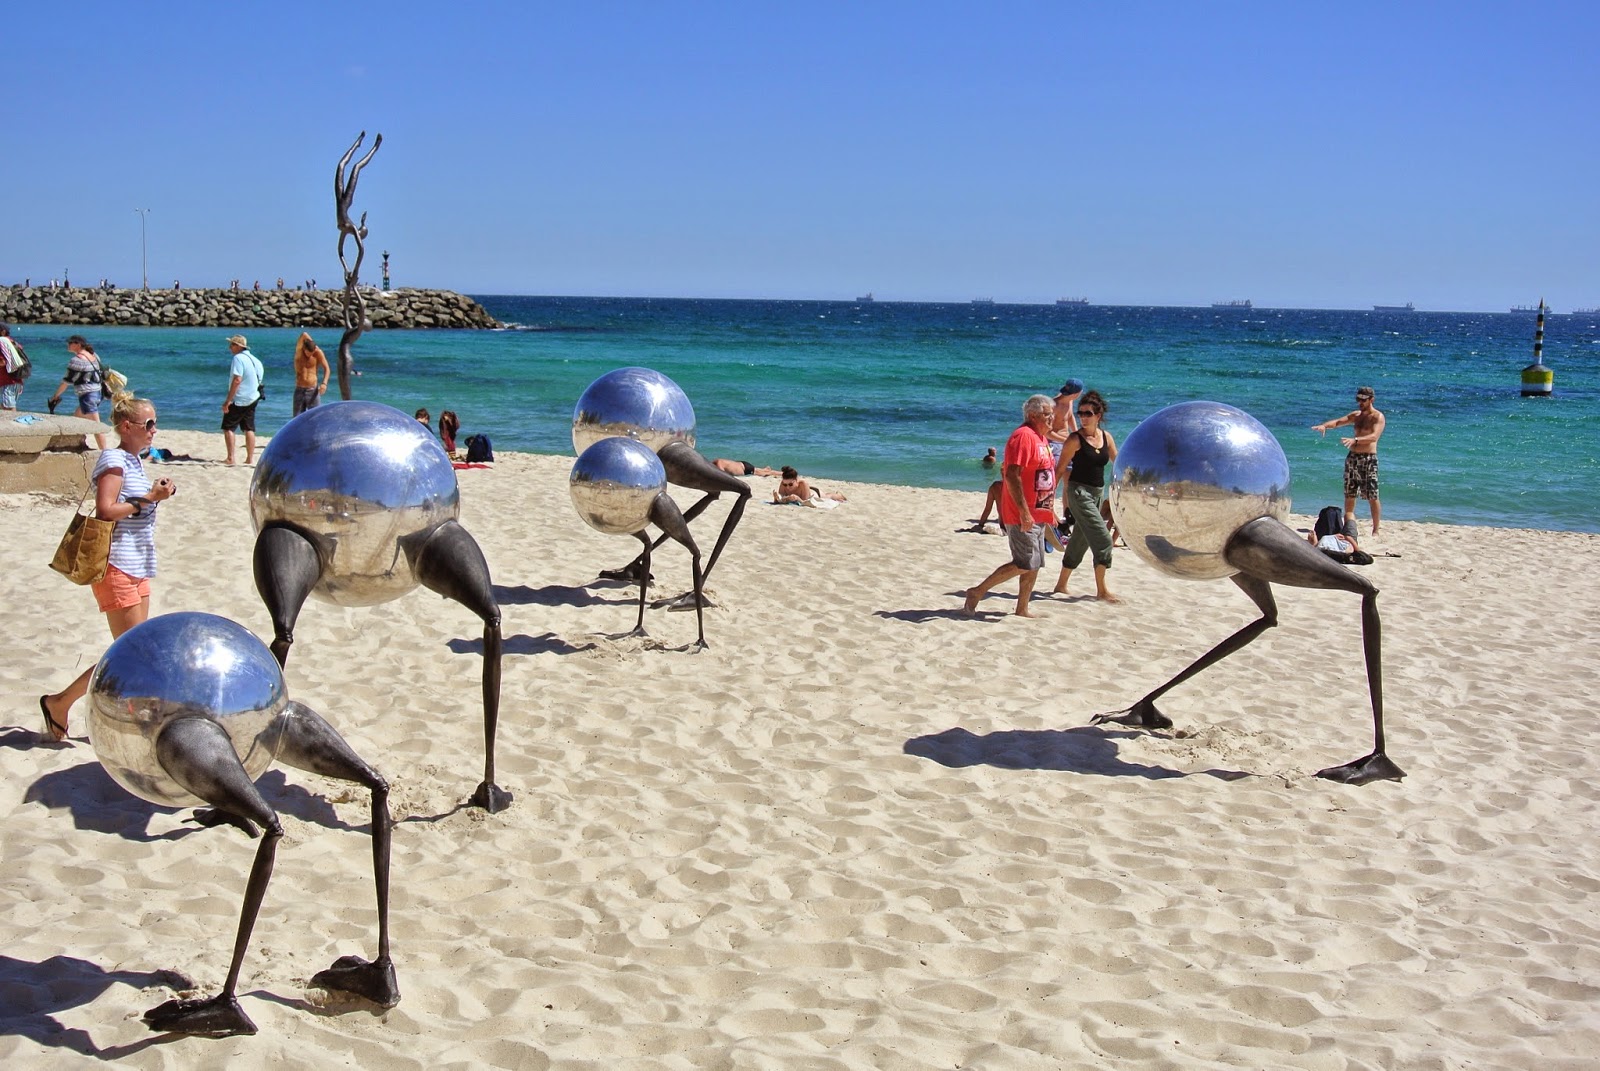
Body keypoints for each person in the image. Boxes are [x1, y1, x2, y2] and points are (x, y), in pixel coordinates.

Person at [39, 392, 177, 741]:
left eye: (155, 423)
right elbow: (105, 510)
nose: (154, 430)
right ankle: (60, 703)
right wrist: (148, 498)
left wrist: (154, 493)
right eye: (148, 424)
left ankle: (117, 711)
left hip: (139, 564)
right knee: (133, 653)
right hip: (115, 565)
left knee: (133, 651)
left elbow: (130, 507)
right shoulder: (114, 459)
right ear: (126, 426)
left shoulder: (133, 461)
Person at [963, 394, 1057, 618]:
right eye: (1047, 415)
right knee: (1024, 563)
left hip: (1038, 511)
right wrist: (1024, 512)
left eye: (1052, 414)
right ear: (1033, 415)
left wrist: (1049, 511)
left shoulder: (1041, 438)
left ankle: (1022, 608)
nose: (1052, 418)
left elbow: (1043, 477)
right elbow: (1012, 476)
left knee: (1034, 564)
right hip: (1022, 512)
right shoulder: (1023, 437)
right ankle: (976, 592)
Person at [1051, 389, 1119, 602]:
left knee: (1080, 540)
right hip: (1078, 493)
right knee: (1104, 540)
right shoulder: (1075, 439)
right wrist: (1047, 497)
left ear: (1098, 416)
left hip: (1097, 494)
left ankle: (1061, 584)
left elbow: (1118, 464)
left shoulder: (1106, 438)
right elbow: (1060, 468)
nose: (1082, 417)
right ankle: (1102, 591)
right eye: (1080, 413)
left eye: (1088, 413)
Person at [1313, 385, 1386, 535]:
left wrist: (1356, 440)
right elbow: (1339, 422)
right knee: (1350, 493)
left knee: (1372, 495)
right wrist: (1324, 426)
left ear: (1372, 400)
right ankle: (1348, 525)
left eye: (1363, 400)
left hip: (1368, 459)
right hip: (1352, 458)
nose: (1360, 402)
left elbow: (1374, 437)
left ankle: (1376, 529)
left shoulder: (1378, 417)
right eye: (1358, 399)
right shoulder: (1356, 415)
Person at [47, 335, 110, 449]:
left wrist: (55, 396)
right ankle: (78, 444)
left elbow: (66, 382)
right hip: (98, 393)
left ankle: (105, 452)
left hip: (88, 396)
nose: (68, 345)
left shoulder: (76, 361)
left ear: (78, 345)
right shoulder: (94, 355)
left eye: (70, 343)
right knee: (76, 419)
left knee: (97, 427)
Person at [221, 334, 264, 466]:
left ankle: (230, 458)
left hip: (240, 398)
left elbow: (237, 379)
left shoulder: (238, 358)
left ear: (239, 346)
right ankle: (250, 458)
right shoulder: (256, 360)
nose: (230, 347)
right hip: (254, 397)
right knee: (249, 427)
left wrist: (228, 400)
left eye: (232, 345)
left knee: (228, 427)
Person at [291, 332, 330, 415]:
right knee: (297, 418)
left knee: (315, 417)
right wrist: (311, 343)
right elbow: (304, 334)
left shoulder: (317, 353)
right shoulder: (299, 352)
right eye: (308, 353)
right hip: (299, 389)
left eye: (311, 353)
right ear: (304, 348)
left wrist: (324, 383)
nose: (309, 355)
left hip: (313, 390)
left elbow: (327, 368)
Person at [773, 466, 847, 504]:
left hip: (815, 493)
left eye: (790, 484)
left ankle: (840, 494)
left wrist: (796, 498)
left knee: (829, 496)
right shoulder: (783, 484)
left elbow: (805, 501)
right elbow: (780, 499)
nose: (788, 487)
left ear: (796, 480)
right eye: (785, 485)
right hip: (808, 492)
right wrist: (776, 498)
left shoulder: (802, 483)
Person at [0, 324, 27, 411]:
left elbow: (3, 362)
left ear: (3, 332)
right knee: (6, 406)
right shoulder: (13, 342)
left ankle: (12, 424)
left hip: (9, 380)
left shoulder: (2, 342)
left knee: (8, 407)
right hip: (17, 380)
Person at [714, 458, 780, 477]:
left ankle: (783, 473)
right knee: (758, 470)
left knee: (769, 473)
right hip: (741, 464)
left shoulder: (718, 463)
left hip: (745, 469)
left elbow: (722, 475)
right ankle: (765, 469)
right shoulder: (717, 461)